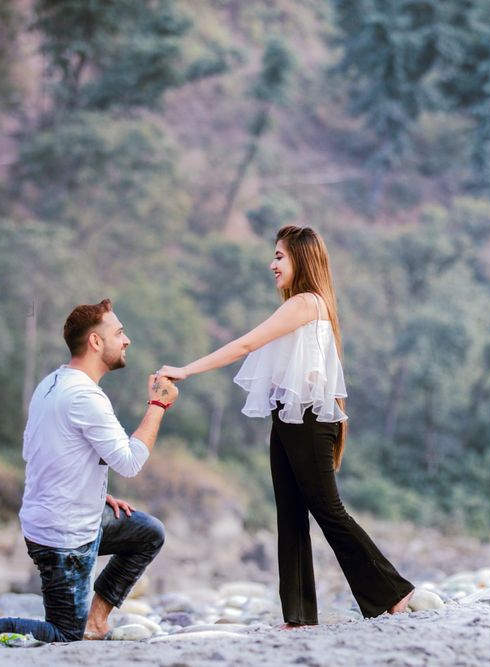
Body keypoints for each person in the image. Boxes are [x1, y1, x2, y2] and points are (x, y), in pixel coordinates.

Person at [157, 225, 414, 627]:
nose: (272, 264)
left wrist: (186, 370)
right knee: (291, 515)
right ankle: (298, 615)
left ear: (301, 259)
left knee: (328, 511)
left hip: (307, 419)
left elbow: (244, 345)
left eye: (279, 256)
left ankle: (395, 592)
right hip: (289, 417)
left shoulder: (305, 303)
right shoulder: (303, 305)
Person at [0, 298, 179, 643]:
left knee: (147, 533)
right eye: (119, 333)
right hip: (63, 536)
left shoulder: (51, 384)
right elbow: (130, 462)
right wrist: (158, 405)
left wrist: (95, 491)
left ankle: (96, 621)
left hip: (68, 516)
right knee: (63, 634)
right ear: (95, 342)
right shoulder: (85, 397)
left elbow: (42, 452)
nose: (127, 340)